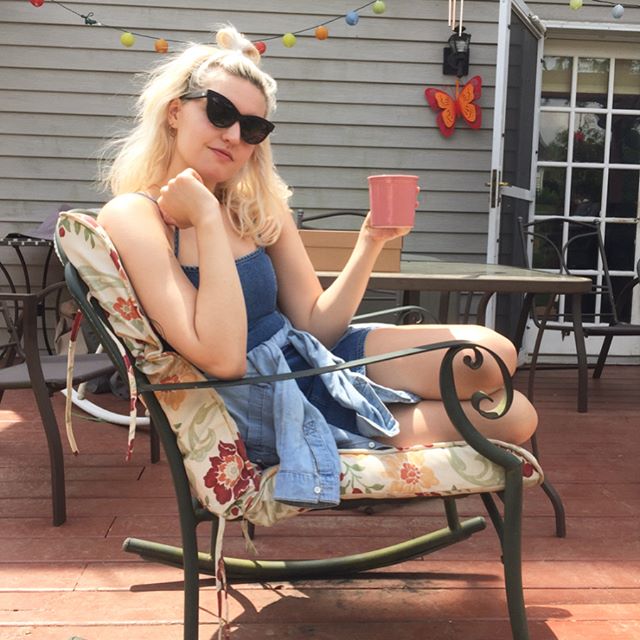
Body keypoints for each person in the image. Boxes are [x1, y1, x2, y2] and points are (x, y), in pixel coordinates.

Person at [97, 24, 537, 507]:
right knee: (515, 416)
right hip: (270, 395)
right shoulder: (135, 215)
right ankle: (372, 422)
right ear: (175, 111)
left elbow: (315, 324)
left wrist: (369, 243)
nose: (234, 135)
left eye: (253, 128)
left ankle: (383, 409)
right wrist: (204, 217)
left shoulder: (251, 206)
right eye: (219, 112)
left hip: (308, 354)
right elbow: (224, 360)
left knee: (493, 351)